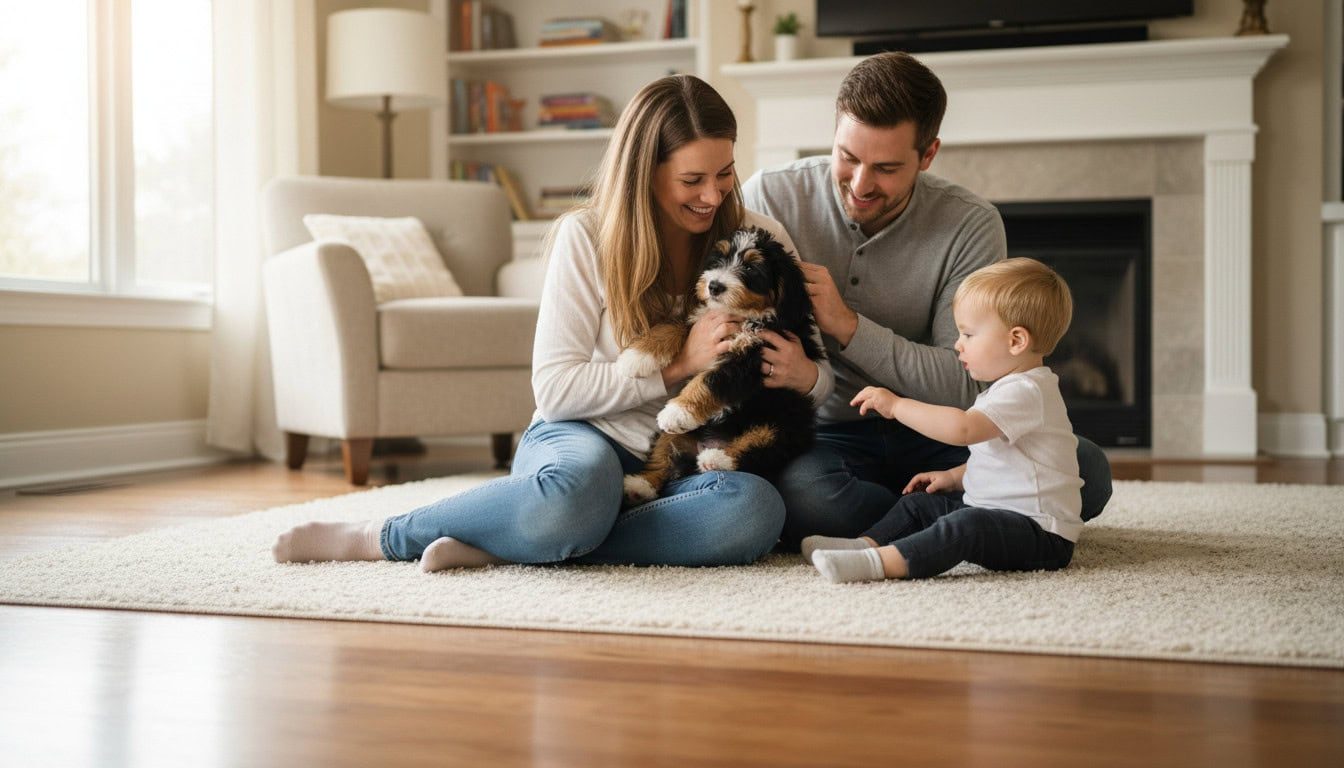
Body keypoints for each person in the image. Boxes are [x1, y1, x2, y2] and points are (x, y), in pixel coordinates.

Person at [272, 74, 833, 571]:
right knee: (575, 495)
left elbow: (820, 376)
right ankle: (388, 535)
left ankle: (519, 540)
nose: (713, 195)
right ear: (645, 172)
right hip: (583, 437)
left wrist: (805, 375)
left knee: (753, 512)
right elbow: (556, 389)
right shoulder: (585, 237)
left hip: (680, 462)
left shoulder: (758, 239)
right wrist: (679, 366)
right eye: (692, 180)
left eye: (725, 173)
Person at [740, 51, 1111, 549]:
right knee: (811, 497)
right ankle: (964, 519)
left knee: (1086, 468)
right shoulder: (771, 197)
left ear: (928, 154)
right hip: (828, 434)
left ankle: (914, 521)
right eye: (848, 157)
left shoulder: (969, 224)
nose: (860, 184)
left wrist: (848, 326)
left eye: (886, 168)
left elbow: (966, 382)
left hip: (941, 430)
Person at [803, 257, 1082, 582]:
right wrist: (952, 477)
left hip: (1040, 534)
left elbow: (962, 429)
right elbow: (1003, 461)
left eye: (968, 334)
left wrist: (897, 406)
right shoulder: (1008, 388)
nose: (957, 344)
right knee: (919, 506)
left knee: (965, 527)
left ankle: (879, 564)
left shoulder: (1026, 391)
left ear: (1016, 341)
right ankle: (862, 545)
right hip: (993, 515)